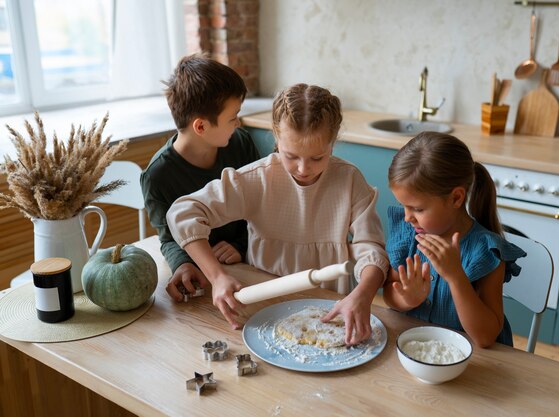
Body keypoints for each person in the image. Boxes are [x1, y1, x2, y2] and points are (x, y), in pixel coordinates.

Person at [166, 83, 389, 345]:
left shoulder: (349, 180)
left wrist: (362, 295)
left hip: (327, 309)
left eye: (317, 157)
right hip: (263, 307)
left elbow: (370, 248)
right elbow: (183, 212)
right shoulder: (258, 178)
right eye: (291, 155)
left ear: (333, 141)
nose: (304, 168)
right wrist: (216, 276)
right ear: (275, 136)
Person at [383, 132, 525, 348]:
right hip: (416, 350)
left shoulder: (486, 251)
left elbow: (485, 337)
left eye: (418, 209)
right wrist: (407, 300)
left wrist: (456, 276)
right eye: (404, 206)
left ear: (456, 198)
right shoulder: (408, 236)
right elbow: (389, 292)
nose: (407, 216)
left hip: (473, 364)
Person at [141, 53, 260, 302]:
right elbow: (168, 237)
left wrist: (240, 245)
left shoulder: (241, 144)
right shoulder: (157, 176)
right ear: (201, 127)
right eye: (232, 117)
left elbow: (260, 209)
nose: (238, 123)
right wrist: (182, 265)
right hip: (206, 276)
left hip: (249, 266)